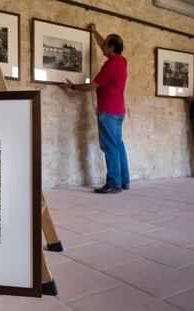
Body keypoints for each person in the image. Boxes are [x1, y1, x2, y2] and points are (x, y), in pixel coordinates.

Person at [59, 23, 129, 194]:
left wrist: (72, 87)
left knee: (110, 146)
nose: (102, 46)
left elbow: (92, 86)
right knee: (118, 145)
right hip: (119, 111)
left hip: (108, 112)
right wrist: (95, 32)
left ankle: (113, 183)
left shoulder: (111, 65)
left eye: (106, 44)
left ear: (111, 47)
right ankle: (124, 181)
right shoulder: (121, 61)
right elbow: (104, 45)